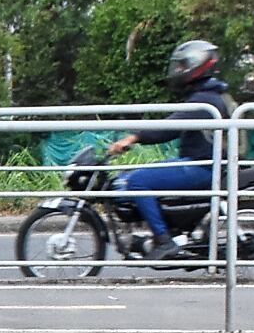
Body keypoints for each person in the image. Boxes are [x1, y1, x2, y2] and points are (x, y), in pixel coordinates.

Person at [94, 39, 233, 261]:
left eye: (181, 65)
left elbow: (169, 127)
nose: (177, 71)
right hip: (200, 162)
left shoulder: (204, 101)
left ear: (196, 65)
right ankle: (168, 229)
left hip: (202, 167)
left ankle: (163, 240)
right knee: (144, 173)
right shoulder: (208, 96)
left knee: (138, 181)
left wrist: (135, 137)